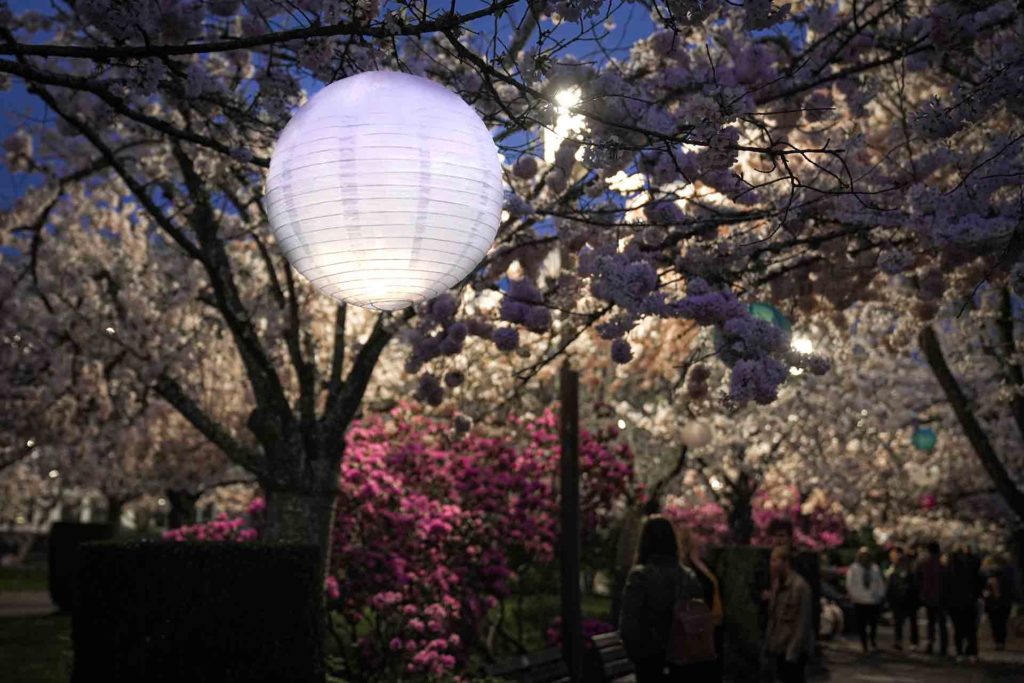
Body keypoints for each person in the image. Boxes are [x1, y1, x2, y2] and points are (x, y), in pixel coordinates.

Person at [619, 516, 704, 683]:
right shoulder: (688, 576)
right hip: (684, 656)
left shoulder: (640, 576)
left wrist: (637, 653)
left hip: (649, 660)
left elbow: (629, 624)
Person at [677, 525, 724, 682]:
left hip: (711, 628)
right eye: (696, 533)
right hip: (699, 631)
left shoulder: (702, 563)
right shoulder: (686, 568)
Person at [765, 545, 815, 683]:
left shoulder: (800, 587)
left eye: (774, 560)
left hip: (793, 651)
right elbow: (774, 617)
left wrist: (792, 652)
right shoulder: (777, 584)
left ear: (785, 562)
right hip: (778, 647)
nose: (771, 564)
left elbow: (803, 622)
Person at [846, 547, 885, 652]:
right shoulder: (853, 568)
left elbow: (879, 582)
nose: (865, 558)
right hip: (859, 600)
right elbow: (849, 583)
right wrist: (853, 595)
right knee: (861, 623)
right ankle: (864, 643)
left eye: (867, 555)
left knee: (873, 623)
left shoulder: (874, 568)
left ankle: (872, 640)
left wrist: (880, 594)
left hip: (873, 600)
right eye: (862, 556)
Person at [947, 546, 981, 661]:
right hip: (969, 601)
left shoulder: (950, 571)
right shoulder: (971, 569)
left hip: (955, 603)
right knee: (970, 629)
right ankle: (972, 652)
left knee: (958, 629)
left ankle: (960, 652)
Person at [917, 541, 949, 656]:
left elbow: (921, 580)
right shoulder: (942, 565)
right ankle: (943, 646)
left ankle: (930, 644)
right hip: (941, 597)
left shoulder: (925, 564)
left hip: (929, 597)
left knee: (931, 623)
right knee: (941, 623)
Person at [886, 546, 919, 651]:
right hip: (903, 598)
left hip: (904, 598)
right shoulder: (898, 568)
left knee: (903, 621)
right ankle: (906, 641)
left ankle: (903, 641)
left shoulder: (903, 569)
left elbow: (892, 585)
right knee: (904, 621)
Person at [981, 553, 1014, 651]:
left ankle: (998, 642)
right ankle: (1001, 642)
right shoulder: (1007, 574)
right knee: (1002, 623)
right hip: (1004, 602)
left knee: (995, 623)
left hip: (994, 604)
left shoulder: (989, 576)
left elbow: (986, 591)